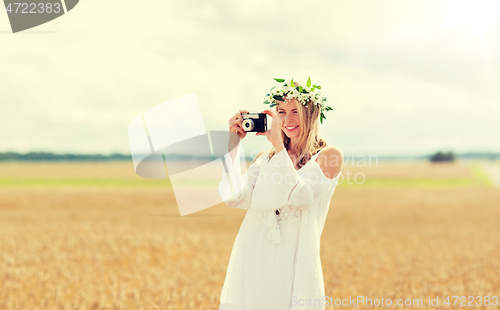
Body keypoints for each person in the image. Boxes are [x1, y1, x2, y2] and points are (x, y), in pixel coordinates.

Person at [218, 77, 343, 310]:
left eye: (296, 111)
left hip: (293, 259)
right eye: (281, 112)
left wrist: (278, 146)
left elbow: (302, 198)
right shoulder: (264, 160)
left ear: (312, 114)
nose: (287, 120)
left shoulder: (329, 156)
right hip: (254, 253)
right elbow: (235, 197)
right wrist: (233, 145)